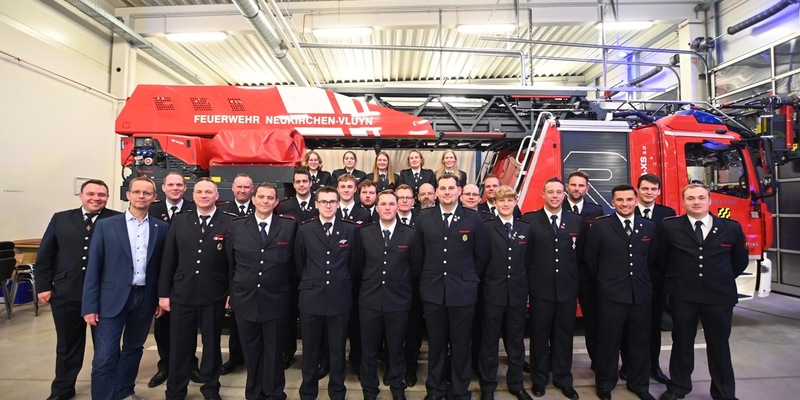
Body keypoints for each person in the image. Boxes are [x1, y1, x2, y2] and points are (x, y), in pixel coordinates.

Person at [656, 184, 748, 400]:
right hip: (683, 296)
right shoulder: (670, 227)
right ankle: (678, 388)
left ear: (709, 200)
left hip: (718, 297)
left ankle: (724, 393)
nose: (696, 202)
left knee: (719, 346)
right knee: (681, 344)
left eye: (700, 198)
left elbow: (739, 261)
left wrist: (719, 279)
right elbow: (660, 259)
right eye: (690, 198)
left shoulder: (731, 228)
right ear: (683, 201)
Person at [81, 177, 169, 400]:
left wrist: (160, 297)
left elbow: (161, 267)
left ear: (154, 197)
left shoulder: (161, 228)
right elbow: (94, 267)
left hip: (144, 298)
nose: (142, 196)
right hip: (111, 299)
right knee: (105, 355)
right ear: (128, 195)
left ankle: (124, 392)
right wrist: (89, 305)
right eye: (137, 192)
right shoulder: (106, 225)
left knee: (133, 349)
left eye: (147, 193)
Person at [36, 179, 121, 400]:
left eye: (101, 194)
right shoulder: (61, 218)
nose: (96, 198)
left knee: (106, 349)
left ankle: (105, 390)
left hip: (103, 295)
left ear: (108, 197)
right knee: (67, 346)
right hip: (67, 292)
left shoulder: (116, 220)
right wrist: (44, 286)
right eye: (91, 194)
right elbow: (46, 255)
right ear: (81, 196)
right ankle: (62, 389)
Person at [415, 174, 489, 400]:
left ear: (459, 191)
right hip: (433, 291)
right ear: (436, 193)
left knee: (460, 345)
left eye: (451, 188)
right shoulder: (424, 218)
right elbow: (419, 256)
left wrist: (466, 279)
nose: (447, 192)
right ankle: (435, 390)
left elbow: (481, 255)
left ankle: (459, 390)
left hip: (463, 292)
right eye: (443, 188)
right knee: (436, 345)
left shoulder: (473, 218)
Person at [158, 177, 233, 400]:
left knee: (212, 346)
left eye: (209, 192)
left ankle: (210, 389)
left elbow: (232, 262)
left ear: (217, 196)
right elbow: (168, 259)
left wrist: (230, 292)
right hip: (182, 294)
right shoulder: (180, 221)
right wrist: (163, 294)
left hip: (214, 295)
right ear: (193, 195)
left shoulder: (229, 222)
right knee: (180, 346)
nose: (204, 195)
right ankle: (175, 391)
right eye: (199, 191)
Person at [584, 184, 658, 400]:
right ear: (613, 202)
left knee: (639, 342)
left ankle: (639, 384)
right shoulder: (601, 226)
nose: (624, 204)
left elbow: (653, 259)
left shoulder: (649, 227)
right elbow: (591, 259)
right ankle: (606, 384)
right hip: (611, 294)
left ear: (636, 200)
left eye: (628, 199)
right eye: (619, 200)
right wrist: (608, 281)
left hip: (640, 294)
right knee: (608, 341)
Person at [227, 183, 298, 400]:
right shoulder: (237, 226)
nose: (265, 201)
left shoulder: (288, 227)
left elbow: (294, 264)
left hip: (276, 299)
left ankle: (275, 392)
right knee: (251, 351)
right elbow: (231, 263)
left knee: (275, 352)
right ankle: (254, 393)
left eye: (270, 198)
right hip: (245, 299)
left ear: (276, 203)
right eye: (261, 197)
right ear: (254, 199)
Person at [295, 186, 361, 400]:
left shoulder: (350, 230)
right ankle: (308, 392)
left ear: (338, 203)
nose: (328, 205)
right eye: (324, 201)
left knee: (337, 350)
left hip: (339, 298)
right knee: (310, 350)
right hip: (311, 298)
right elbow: (299, 263)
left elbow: (355, 264)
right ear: (316, 204)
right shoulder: (305, 229)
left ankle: (337, 391)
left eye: (332, 201)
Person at [521, 178, 581, 400]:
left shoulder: (576, 221)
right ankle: (539, 379)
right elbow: (525, 258)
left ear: (564, 195)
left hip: (567, 288)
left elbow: (581, 256)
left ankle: (563, 378)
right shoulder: (529, 221)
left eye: (559, 192)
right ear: (543, 195)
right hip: (540, 288)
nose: (555, 196)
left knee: (564, 336)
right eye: (550, 192)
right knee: (539, 335)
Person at [358, 190, 421, 400]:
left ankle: (397, 388)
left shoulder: (411, 234)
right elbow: (357, 266)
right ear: (376, 208)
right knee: (369, 350)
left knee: (396, 348)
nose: (387, 208)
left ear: (398, 207)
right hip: (370, 300)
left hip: (399, 301)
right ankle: (369, 390)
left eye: (391, 204)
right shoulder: (365, 233)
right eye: (382, 204)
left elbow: (415, 267)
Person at [478, 186, 533, 400]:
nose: (506, 204)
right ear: (496, 203)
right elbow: (482, 260)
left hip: (517, 293)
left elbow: (528, 261)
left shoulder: (525, 228)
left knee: (516, 342)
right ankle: (488, 386)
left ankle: (516, 384)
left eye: (510, 200)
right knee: (489, 342)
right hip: (493, 292)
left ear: (515, 201)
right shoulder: (486, 227)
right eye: (502, 201)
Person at [148, 171, 200, 388]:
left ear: (185, 188)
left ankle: (190, 364)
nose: (175, 188)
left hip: (186, 279)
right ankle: (166, 365)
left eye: (179, 185)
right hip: (159, 275)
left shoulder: (194, 209)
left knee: (188, 326)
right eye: (171, 185)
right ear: (164, 187)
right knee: (162, 327)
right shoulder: (152, 210)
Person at [634, 174, 676, 384]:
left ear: (658, 191)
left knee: (653, 327)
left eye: (653, 189)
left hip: (657, 280)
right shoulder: (627, 210)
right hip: (631, 280)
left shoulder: (667, 214)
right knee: (632, 326)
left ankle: (654, 366)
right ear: (637, 190)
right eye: (645, 188)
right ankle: (630, 366)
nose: (649, 192)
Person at [277, 168, 318, 370]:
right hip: (290, 270)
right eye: (298, 181)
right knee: (289, 314)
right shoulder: (284, 206)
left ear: (311, 183)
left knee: (315, 317)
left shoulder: (320, 205)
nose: (302, 184)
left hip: (315, 268)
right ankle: (288, 351)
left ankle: (316, 355)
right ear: (293, 185)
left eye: (305, 181)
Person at [564, 170, 604, 368]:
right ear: (567, 187)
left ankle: (597, 360)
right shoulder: (556, 207)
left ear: (587, 189)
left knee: (592, 319)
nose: (576, 189)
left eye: (580, 185)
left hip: (588, 275)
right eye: (573, 185)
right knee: (562, 321)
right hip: (563, 273)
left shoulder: (596, 211)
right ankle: (559, 362)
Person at [220, 173, 254, 375]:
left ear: (253, 190)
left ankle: (251, 357)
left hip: (253, 273)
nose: (242, 190)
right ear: (233, 188)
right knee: (235, 322)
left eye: (246, 187)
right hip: (234, 273)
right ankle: (234, 357)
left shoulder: (259, 208)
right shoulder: (224, 211)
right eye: (239, 187)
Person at [394, 184, 421, 385]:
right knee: (392, 333)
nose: (404, 201)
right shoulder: (384, 222)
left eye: (407, 197)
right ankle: (393, 368)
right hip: (390, 289)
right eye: (400, 197)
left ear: (414, 201)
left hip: (414, 287)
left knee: (412, 331)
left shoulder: (423, 223)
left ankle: (411, 368)